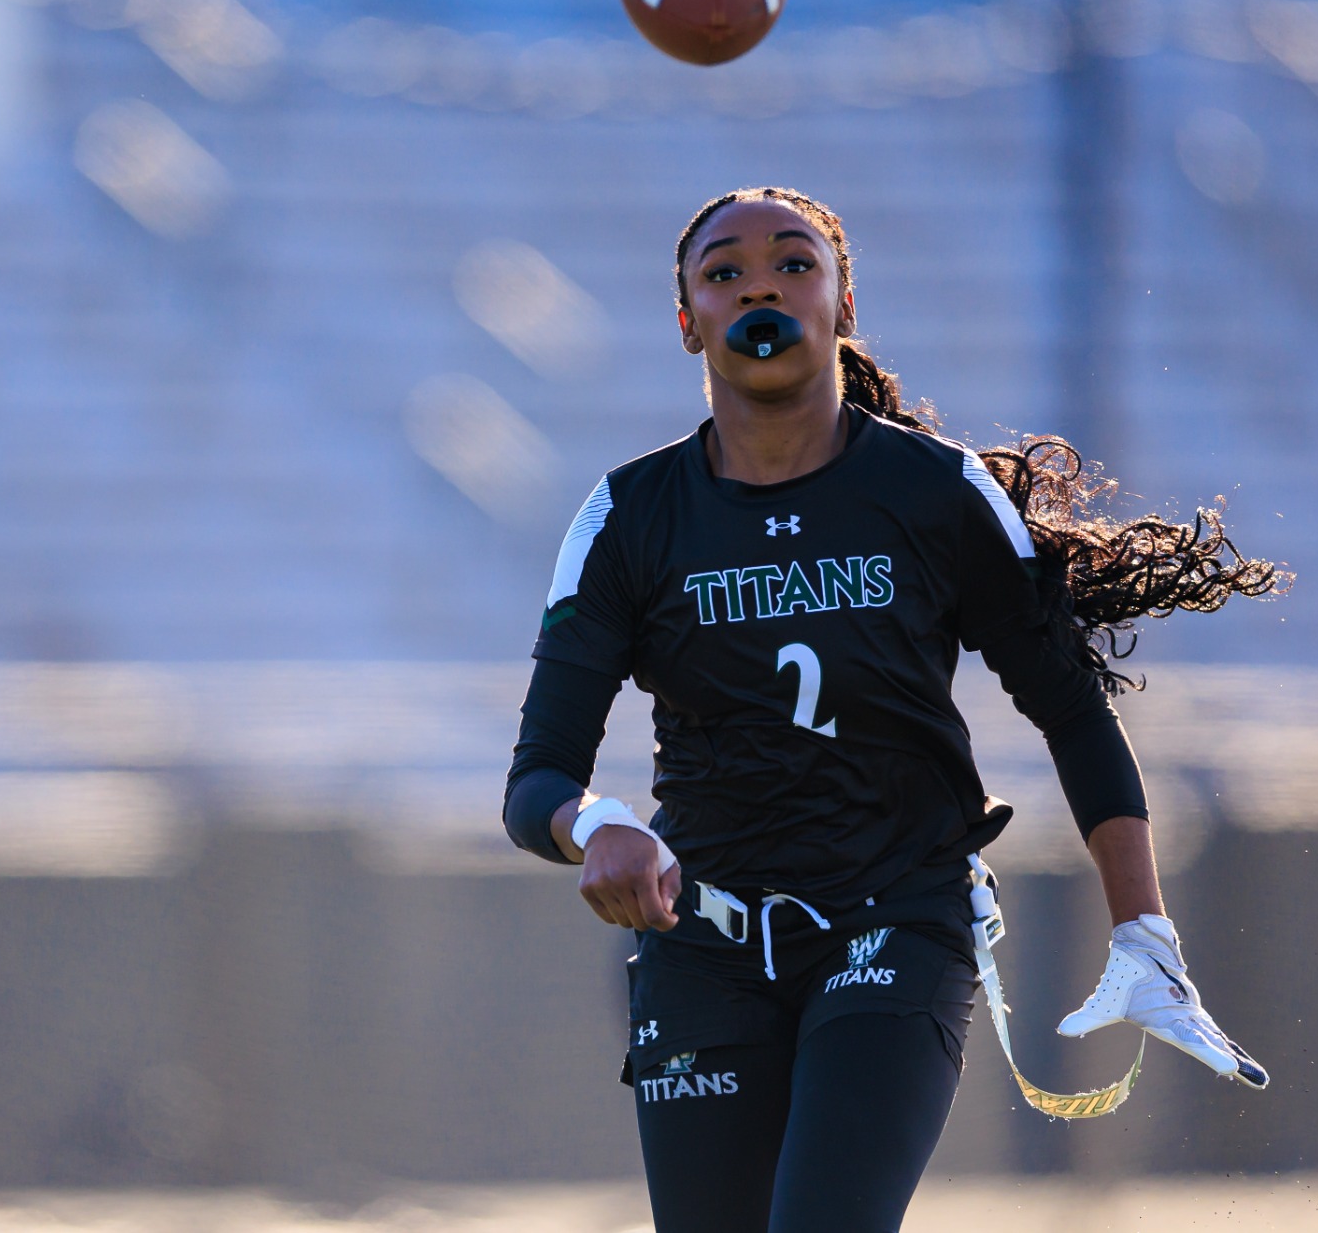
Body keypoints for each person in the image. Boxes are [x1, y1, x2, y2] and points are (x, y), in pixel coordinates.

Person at [502, 187, 1279, 1233]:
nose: (760, 289)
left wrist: (1141, 927)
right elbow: (538, 778)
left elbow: (1071, 709)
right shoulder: (626, 515)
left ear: (844, 304)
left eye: (793, 264)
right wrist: (596, 823)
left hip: (893, 922)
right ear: (687, 321)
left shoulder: (935, 491)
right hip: (703, 940)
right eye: (724, 273)